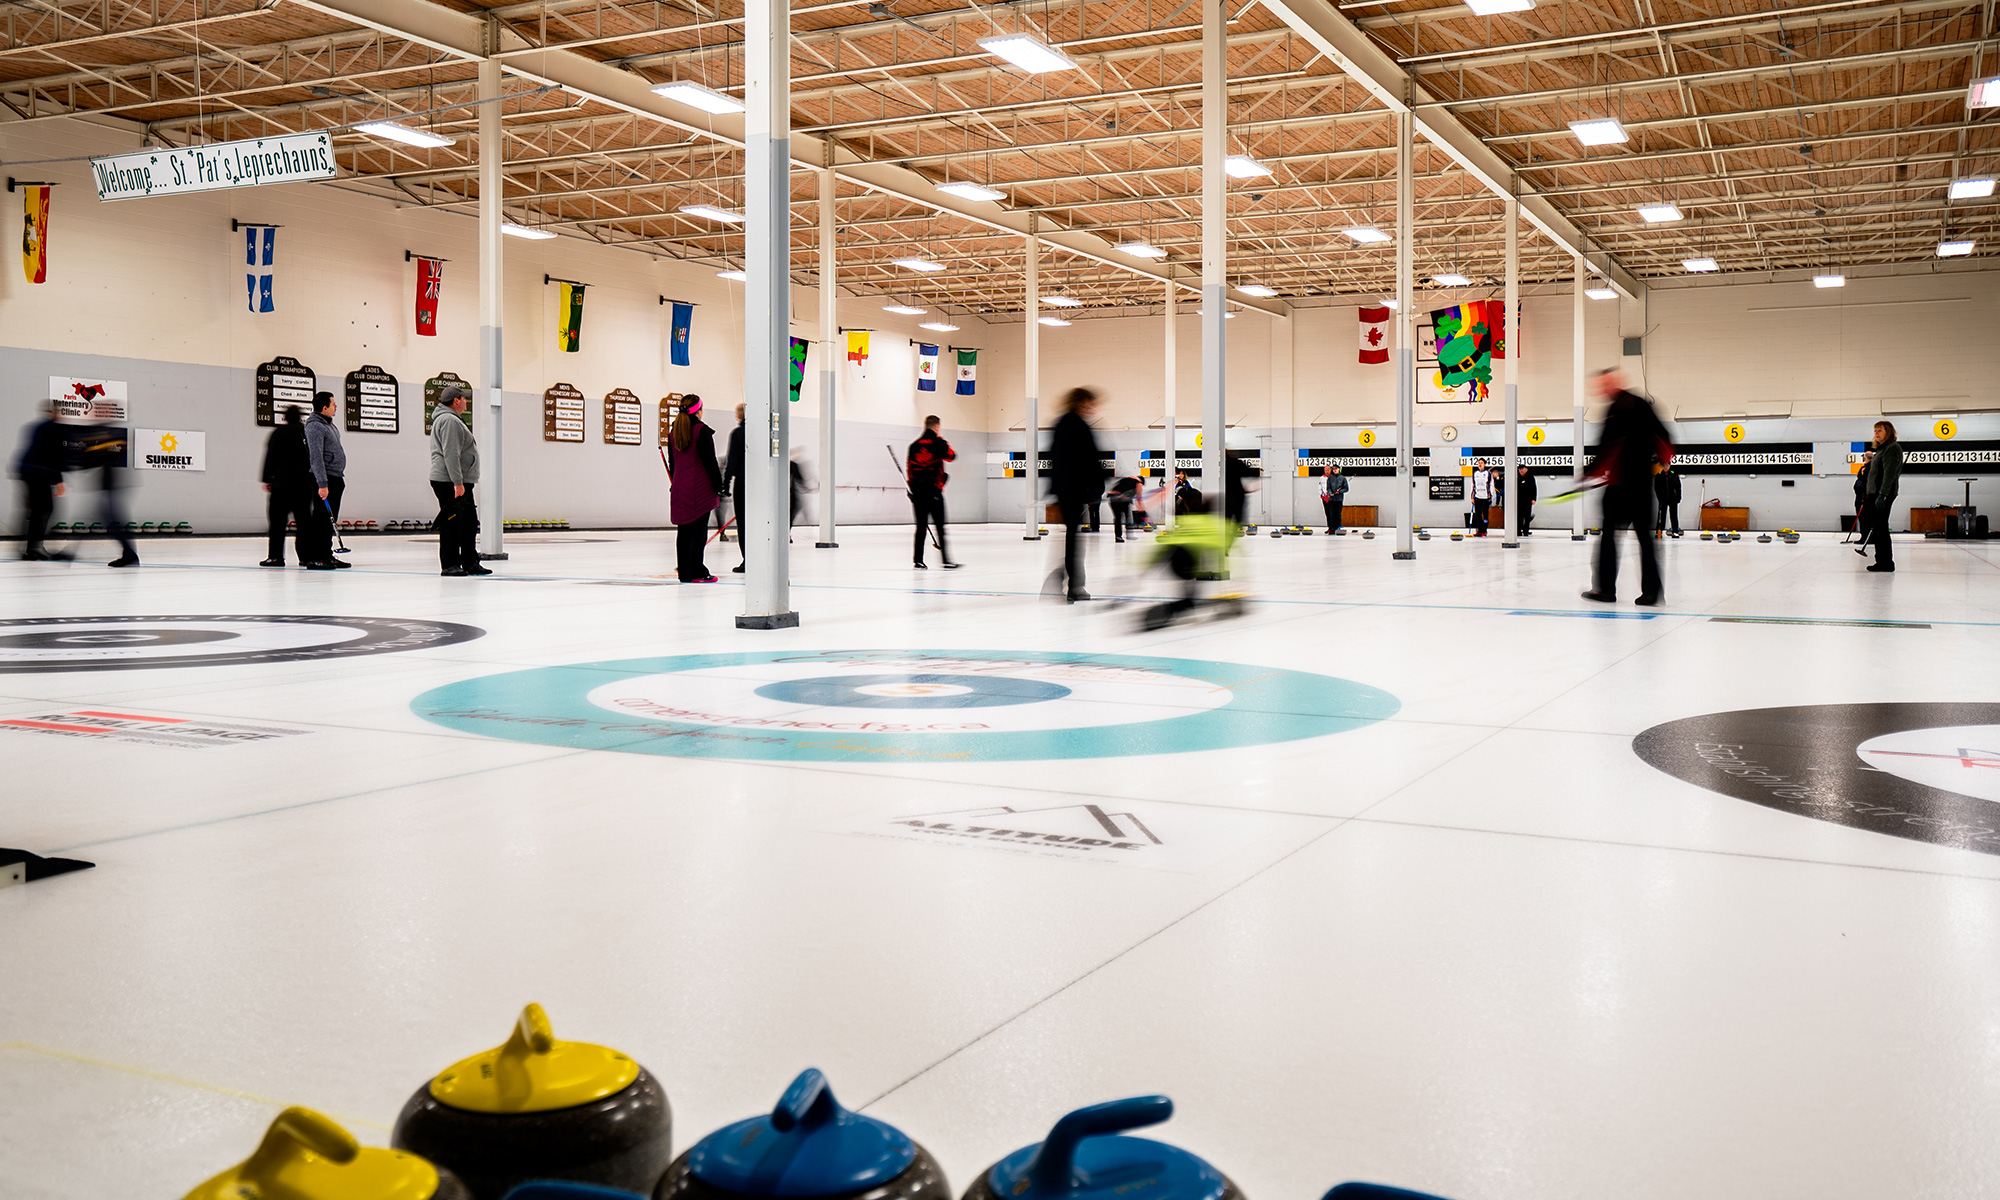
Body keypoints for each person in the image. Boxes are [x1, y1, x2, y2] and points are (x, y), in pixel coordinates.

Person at [1581, 368, 1672, 606]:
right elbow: (1663, 436)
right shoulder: (1637, 405)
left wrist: (1592, 471)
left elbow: (1609, 445)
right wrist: (1665, 456)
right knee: (1638, 539)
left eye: (1603, 384)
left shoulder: (1623, 407)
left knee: (1614, 537)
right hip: (1636, 485)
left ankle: (1606, 590)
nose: (1601, 390)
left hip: (1624, 487)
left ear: (1615, 382)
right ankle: (1650, 593)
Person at [1047, 387, 1106, 602]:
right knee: (1074, 538)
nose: (1093, 409)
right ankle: (1073, 584)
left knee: (1073, 535)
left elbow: (1055, 457)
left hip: (1064, 490)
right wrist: (1099, 485)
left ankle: (1070, 580)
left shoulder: (1061, 424)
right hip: (1075, 489)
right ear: (1081, 403)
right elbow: (1090, 459)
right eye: (1091, 405)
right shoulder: (1079, 426)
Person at [428, 385, 489, 577]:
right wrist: (457, 483)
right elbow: (451, 454)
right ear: (456, 401)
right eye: (464, 399)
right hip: (450, 482)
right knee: (452, 523)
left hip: (458, 480)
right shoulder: (449, 421)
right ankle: (450, 564)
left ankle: (470, 561)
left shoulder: (452, 419)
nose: (466, 402)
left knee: (468, 522)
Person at [73, 405, 138, 567]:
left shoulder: (111, 434)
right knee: (110, 518)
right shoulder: (102, 433)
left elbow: (101, 455)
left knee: (113, 520)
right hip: (108, 485)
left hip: (112, 485)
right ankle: (129, 553)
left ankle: (130, 553)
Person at [668, 394, 723, 582]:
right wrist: (719, 486)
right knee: (698, 532)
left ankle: (685, 572)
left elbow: (672, 464)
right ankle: (698, 572)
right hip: (699, 489)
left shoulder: (673, 432)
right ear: (699, 411)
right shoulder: (701, 431)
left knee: (683, 532)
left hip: (679, 488)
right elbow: (710, 462)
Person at [13, 399, 68, 561]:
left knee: (35, 511)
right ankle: (34, 548)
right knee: (44, 510)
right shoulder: (52, 428)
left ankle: (31, 548)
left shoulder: (39, 427)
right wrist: (59, 481)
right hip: (38, 473)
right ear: (54, 413)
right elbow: (53, 456)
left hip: (27, 472)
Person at [260, 406, 315, 567]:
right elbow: (313, 458)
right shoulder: (305, 433)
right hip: (303, 486)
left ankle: (276, 557)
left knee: (277, 524)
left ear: (285, 417)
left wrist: (266, 478)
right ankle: (305, 556)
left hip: (281, 486)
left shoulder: (278, 433)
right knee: (304, 523)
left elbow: (270, 457)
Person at [906, 415, 959, 569]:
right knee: (940, 527)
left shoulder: (914, 446)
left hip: (918, 492)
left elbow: (910, 470)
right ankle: (946, 560)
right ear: (937, 427)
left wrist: (912, 491)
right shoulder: (939, 443)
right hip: (934, 491)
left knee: (921, 527)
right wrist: (942, 440)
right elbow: (951, 456)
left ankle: (918, 560)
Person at [303, 391, 349, 568]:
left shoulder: (329, 425)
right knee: (321, 520)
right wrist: (322, 484)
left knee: (329, 520)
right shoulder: (315, 427)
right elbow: (316, 457)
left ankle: (326, 555)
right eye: (333, 404)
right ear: (324, 407)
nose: (336, 406)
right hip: (325, 480)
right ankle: (316, 557)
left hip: (336, 478)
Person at [1862, 420, 1902, 573]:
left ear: (1888, 432)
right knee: (1878, 528)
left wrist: (1883, 494)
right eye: (1875, 431)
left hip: (1882, 494)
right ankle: (1883, 561)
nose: (1876, 433)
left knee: (1881, 528)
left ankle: (1885, 562)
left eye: (1880, 430)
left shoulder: (1891, 449)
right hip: (1875, 494)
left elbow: (1889, 474)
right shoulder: (1882, 449)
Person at [725, 402, 746, 571]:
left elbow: (731, 461)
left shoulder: (738, 434)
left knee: (743, 523)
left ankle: (748, 559)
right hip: (759, 485)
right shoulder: (760, 434)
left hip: (741, 484)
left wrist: (725, 484)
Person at [1107, 468, 1141, 542]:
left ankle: (1119, 536)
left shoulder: (1127, 480)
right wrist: (1140, 507)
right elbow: (1139, 497)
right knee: (1127, 517)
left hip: (1113, 499)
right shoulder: (1138, 483)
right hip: (1120, 500)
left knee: (1118, 518)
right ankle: (1128, 535)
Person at [1847, 450, 1874, 546]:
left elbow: (1866, 483)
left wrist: (1863, 496)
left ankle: (1866, 537)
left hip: (1865, 498)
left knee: (1865, 518)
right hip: (1861, 497)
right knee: (1864, 518)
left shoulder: (1869, 468)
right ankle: (1866, 537)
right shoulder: (1865, 467)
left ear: (1865, 457)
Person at [1653, 463, 1683, 537]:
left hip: (1673, 499)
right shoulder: (1659, 476)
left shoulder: (1674, 475)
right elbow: (1656, 488)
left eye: (1667, 465)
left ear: (1669, 466)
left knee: (1673, 515)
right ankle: (1659, 531)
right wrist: (1659, 497)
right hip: (1663, 499)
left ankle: (1675, 531)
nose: (1665, 467)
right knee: (1661, 515)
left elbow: (1678, 487)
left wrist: (1678, 497)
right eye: (1664, 465)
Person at [1319, 463, 1349, 535]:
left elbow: (1346, 489)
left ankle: (1337, 527)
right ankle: (1331, 528)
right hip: (1331, 499)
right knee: (1331, 514)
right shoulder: (1330, 478)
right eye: (1333, 469)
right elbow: (1328, 487)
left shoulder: (1343, 478)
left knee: (1338, 514)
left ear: (1339, 469)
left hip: (1339, 499)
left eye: (1336, 469)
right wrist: (1330, 493)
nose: (1335, 470)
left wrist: (1339, 492)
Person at [1469, 457, 1493, 536]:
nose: (1480, 464)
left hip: (1485, 497)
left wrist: (1490, 496)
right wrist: (1472, 497)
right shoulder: (1475, 473)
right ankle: (1479, 529)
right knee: (1477, 514)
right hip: (1477, 497)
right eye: (1479, 463)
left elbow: (1491, 485)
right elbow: (1473, 485)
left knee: (1485, 514)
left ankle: (1484, 530)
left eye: (1481, 463)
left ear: (1484, 464)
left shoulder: (1488, 473)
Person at [1515, 464, 1537, 536]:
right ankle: (1518, 530)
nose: (1520, 470)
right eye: (1519, 469)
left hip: (1528, 500)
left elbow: (1534, 488)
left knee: (1527, 516)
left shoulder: (1530, 477)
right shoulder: (1517, 477)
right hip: (1519, 500)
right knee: (1519, 516)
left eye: (1522, 469)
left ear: (1526, 469)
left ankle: (1525, 531)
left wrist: (1534, 498)